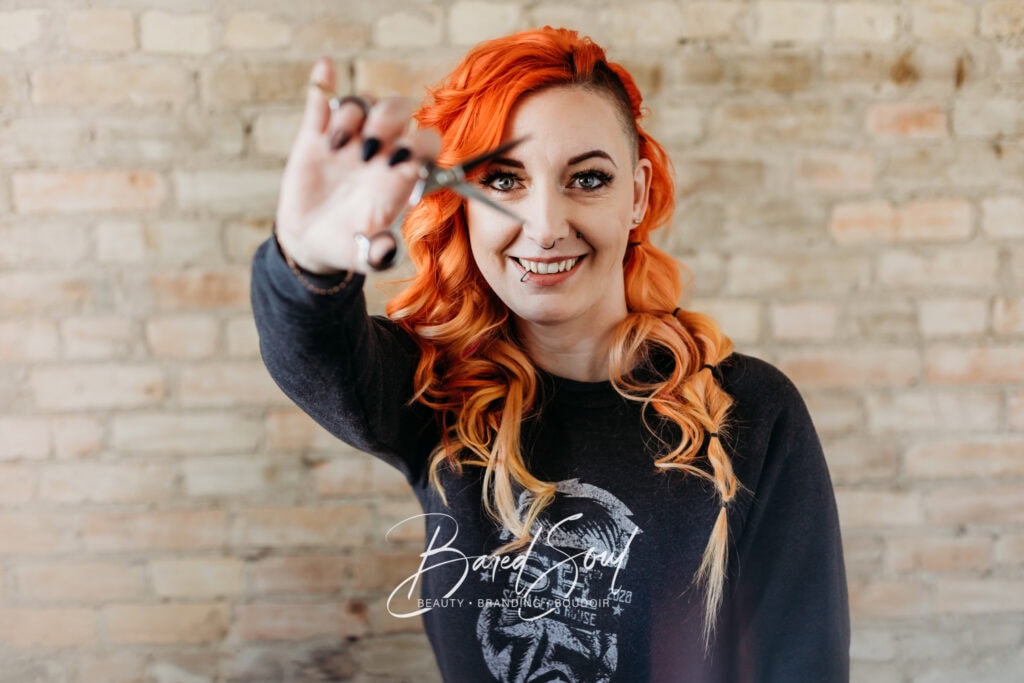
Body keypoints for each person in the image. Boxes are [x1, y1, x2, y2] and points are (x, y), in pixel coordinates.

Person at [252, 26, 850, 683]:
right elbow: (312, 352)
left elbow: (805, 663)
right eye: (503, 180)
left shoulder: (754, 414)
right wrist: (303, 259)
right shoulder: (436, 393)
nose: (544, 224)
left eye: (587, 179)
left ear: (639, 194)